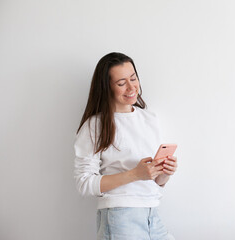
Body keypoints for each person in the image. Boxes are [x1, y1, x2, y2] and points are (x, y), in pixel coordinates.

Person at [74, 52, 177, 239]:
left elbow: (157, 183)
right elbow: (84, 183)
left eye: (133, 78)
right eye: (121, 83)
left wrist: (164, 173)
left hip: (152, 214)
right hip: (120, 217)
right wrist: (134, 174)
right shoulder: (95, 126)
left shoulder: (150, 118)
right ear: (107, 88)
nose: (131, 87)